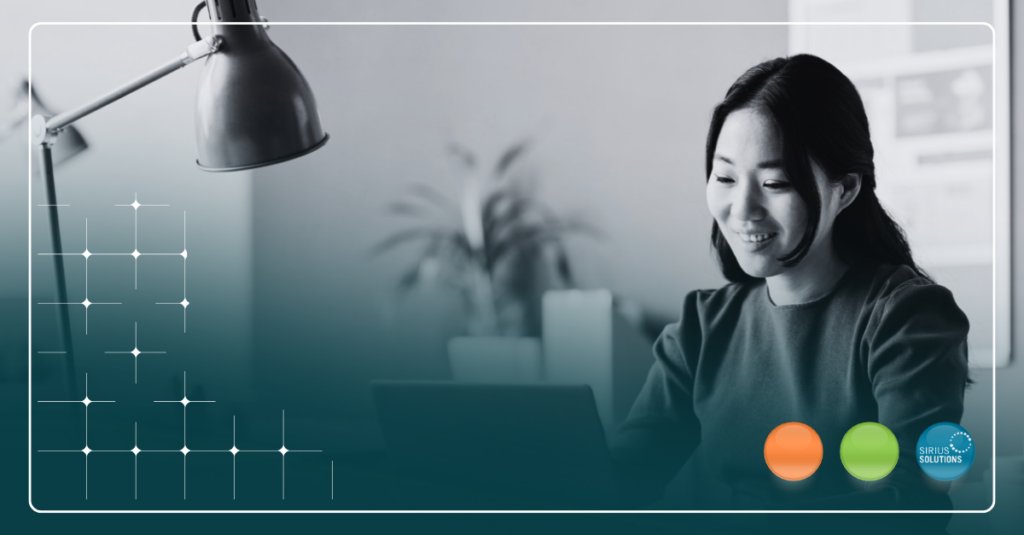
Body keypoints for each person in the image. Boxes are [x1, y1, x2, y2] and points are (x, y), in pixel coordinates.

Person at [610, 54, 970, 521]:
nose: (742, 209)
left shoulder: (907, 316)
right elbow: (620, 479)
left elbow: (912, 503)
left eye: (774, 183)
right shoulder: (702, 327)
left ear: (845, 190)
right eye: (725, 178)